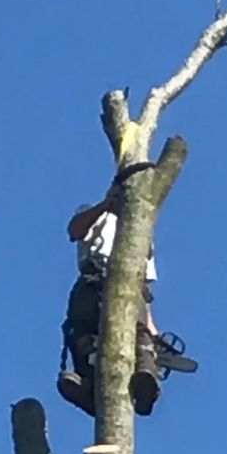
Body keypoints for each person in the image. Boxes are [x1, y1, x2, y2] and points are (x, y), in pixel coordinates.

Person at [57, 177, 162, 417]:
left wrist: (151, 326)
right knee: (84, 332)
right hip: (93, 280)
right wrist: (106, 205)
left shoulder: (142, 234)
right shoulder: (93, 214)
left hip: (131, 287)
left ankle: (145, 375)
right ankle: (88, 384)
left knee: (138, 332)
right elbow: (75, 230)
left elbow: (145, 283)